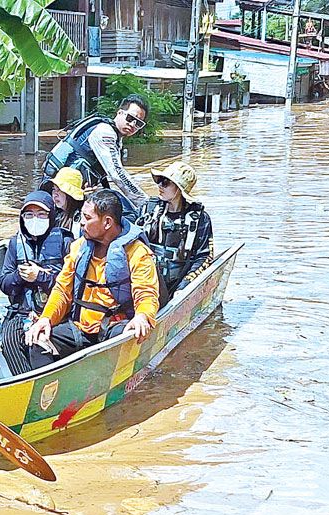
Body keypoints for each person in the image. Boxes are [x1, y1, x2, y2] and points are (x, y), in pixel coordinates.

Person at [25, 190, 160, 367]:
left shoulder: (137, 253)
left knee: (132, 336)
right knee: (38, 339)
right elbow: (62, 290)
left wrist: (142, 316)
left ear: (107, 223)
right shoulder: (79, 248)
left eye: (87, 218)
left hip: (116, 328)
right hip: (80, 328)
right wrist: (46, 319)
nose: (81, 222)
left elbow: (146, 294)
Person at [0, 189, 76, 374]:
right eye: (29, 215)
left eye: (41, 215)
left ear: (51, 216)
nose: (35, 219)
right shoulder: (16, 244)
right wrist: (20, 275)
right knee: (9, 339)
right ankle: (24, 382)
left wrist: (41, 277)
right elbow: (4, 283)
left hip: (56, 312)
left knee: (41, 341)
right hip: (23, 312)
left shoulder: (65, 241)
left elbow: (72, 284)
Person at [39, 94, 151, 216]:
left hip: (67, 193)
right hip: (61, 193)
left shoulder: (114, 135)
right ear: (120, 113)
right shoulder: (105, 133)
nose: (133, 124)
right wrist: (145, 202)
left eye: (139, 124)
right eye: (130, 118)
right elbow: (117, 174)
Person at [137, 161, 214, 306]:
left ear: (179, 189)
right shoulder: (148, 210)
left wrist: (185, 285)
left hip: (177, 283)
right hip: (146, 281)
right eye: (159, 181)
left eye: (165, 182)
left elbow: (204, 257)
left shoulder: (200, 219)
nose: (159, 186)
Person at [47, 166, 85, 234]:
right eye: (54, 189)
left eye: (60, 190)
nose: (55, 194)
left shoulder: (80, 219)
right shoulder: (57, 215)